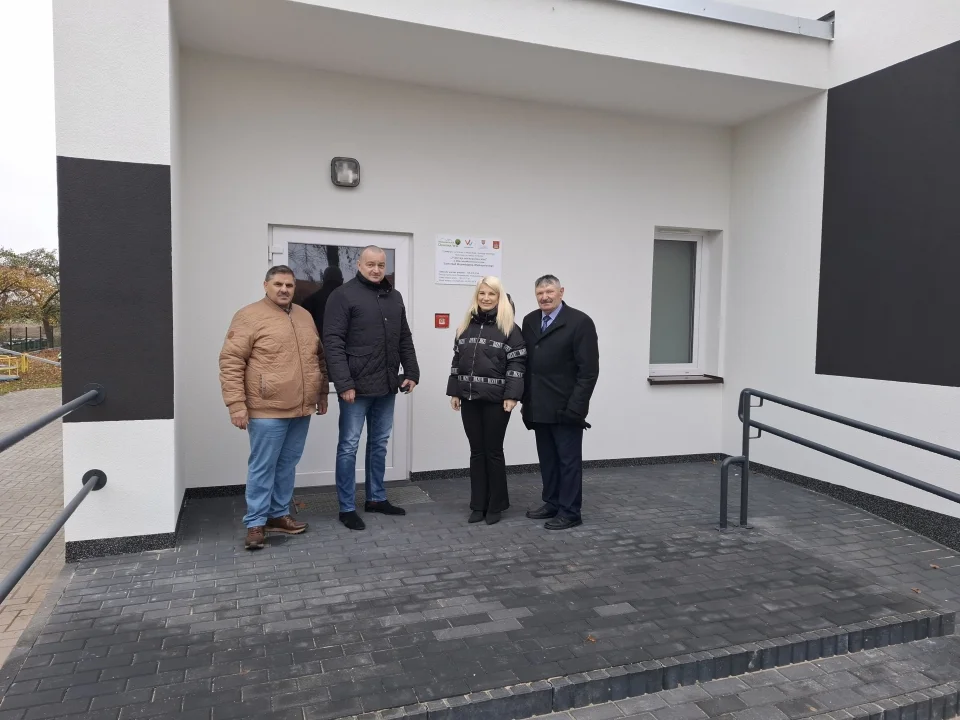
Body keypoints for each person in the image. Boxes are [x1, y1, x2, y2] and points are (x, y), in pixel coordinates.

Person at [219, 265, 329, 550]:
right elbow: (231, 361)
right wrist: (236, 404)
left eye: (289, 285)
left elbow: (318, 358)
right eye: (278, 284)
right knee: (263, 466)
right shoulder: (249, 316)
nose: (284, 289)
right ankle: (256, 522)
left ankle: (278, 515)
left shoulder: (304, 316)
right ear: (265, 285)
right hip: (266, 409)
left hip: (301, 409)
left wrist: (321, 394)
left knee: (287, 465)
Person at [323, 246, 420, 531]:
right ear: (359, 264)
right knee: (349, 446)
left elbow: (404, 337)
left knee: (379, 444)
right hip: (355, 389)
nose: (376, 270)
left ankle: (376, 498)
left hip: (386, 386)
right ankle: (347, 507)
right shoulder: (342, 295)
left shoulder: (394, 296)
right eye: (370, 264)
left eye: (380, 265)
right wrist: (344, 383)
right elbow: (333, 342)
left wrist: (411, 371)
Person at [521, 274, 599, 530]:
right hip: (538, 406)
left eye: (549, 292)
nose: (544, 297)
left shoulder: (580, 322)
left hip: (566, 408)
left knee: (568, 462)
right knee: (548, 460)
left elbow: (588, 372)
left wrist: (576, 408)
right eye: (540, 293)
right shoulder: (530, 321)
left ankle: (570, 511)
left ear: (561, 292)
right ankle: (552, 502)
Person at [447, 277, 526, 525]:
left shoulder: (510, 328)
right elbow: (457, 361)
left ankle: (496, 505)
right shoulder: (465, 326)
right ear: (476, 296)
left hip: (496, 401)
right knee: (476, 452)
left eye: (492, 294)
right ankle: (478, 504)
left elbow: (517, 363)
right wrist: (455, 391)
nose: (486, 298)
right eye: (482, 293)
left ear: (499, 297)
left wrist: (512, 395)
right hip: (469, 398)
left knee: (493, 451)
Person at [301, 265, 344, 338]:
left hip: (317, 342)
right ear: (342, 280)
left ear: (323, 279)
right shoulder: (350, 301)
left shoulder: (310, 301)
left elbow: (302, 328)